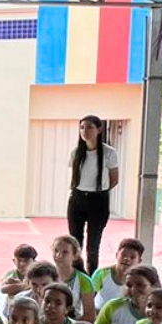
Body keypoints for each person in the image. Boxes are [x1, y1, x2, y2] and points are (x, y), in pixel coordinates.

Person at [67, 114, 119, 275]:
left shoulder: (109, 153)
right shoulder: (76, 152)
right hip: (77, 198)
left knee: (93, 245)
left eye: (89, 127)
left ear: (99, 129)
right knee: (75, 242)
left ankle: (92, 278)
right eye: (82, 127)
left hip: (99, 200)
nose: (85, 131)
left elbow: (114, 179)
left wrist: (98, 192)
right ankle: (77, 274)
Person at [52, 235, 97, 321]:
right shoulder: (45, 274)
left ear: (75, 256)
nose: (58, 255)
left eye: (65, 252)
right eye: (56, 250)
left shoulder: (84, 280)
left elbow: (90, 316)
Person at [91, 237, 145, 306]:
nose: (127, 259)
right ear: (116, 255)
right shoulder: (101, 273)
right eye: (123, 255)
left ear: (139, 261)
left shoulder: (139, 280)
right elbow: (89, 298)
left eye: (132, 257)